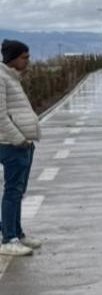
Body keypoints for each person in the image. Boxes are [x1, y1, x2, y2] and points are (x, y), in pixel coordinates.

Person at [0, 39, 41, 257]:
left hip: (23, 144)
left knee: (18, 191)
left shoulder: (12, 77)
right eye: (24, 57)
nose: (28, 61)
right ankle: (8, 239)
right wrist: (19, 140)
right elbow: (1, 116)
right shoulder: (2, 78)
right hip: (11, 144)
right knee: (12, 192)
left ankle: (17, 233)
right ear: (13, 58)